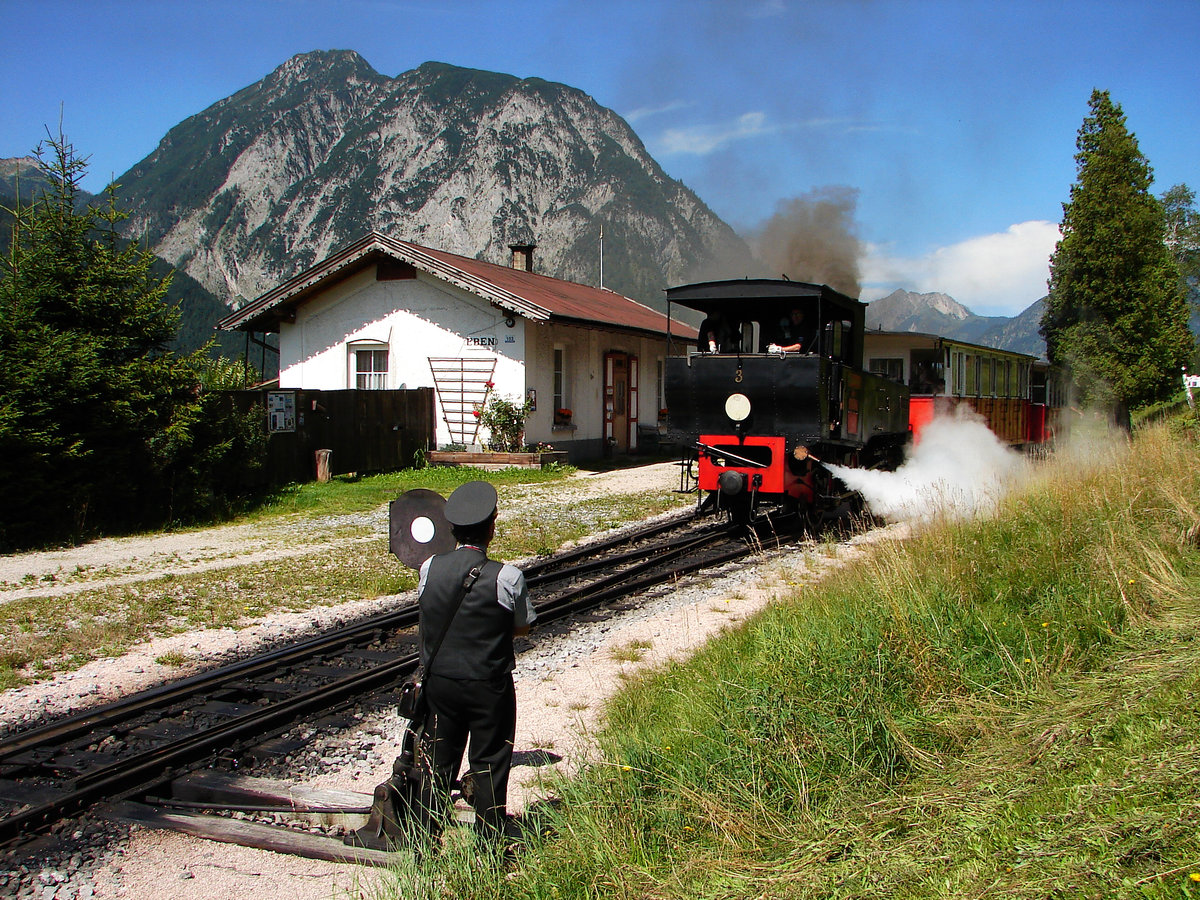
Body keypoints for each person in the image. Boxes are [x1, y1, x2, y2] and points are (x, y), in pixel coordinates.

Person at [415, 480, 535, 850]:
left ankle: (426, 838)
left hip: (440, 682)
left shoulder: (429, 567)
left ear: (453, 530)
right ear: (492, 527)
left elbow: (428, 614)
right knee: (489, 759)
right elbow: (522, 627)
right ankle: (488, 842)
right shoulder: (507, 576)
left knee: (439, 757)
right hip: (488, 683)